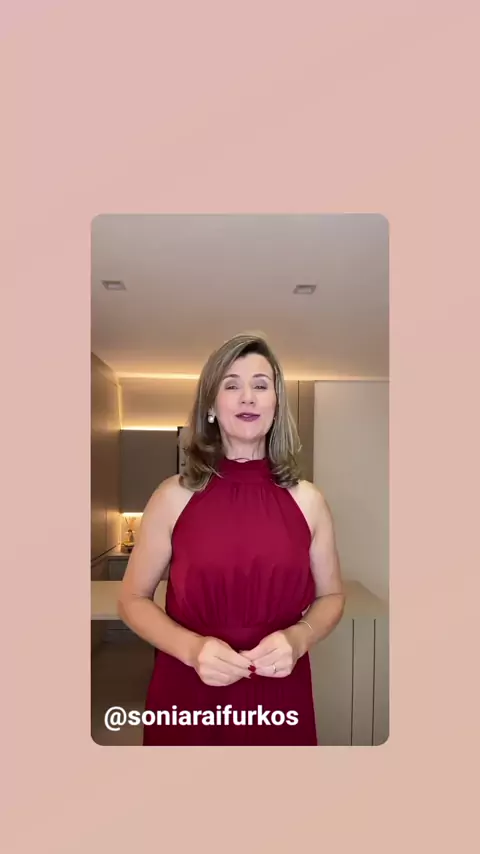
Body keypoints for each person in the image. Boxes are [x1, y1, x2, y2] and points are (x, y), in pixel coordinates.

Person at [118, 332, 345, 745]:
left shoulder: (309, 501)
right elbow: (132, 599)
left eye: (261, 385)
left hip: (279, 696)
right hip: (188, 692)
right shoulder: (172, 497)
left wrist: (299, 639)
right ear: (210, 405)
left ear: (276, 405)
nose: (248, 397)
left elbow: (331, 597)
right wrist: (191, 650)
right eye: (231, 385)